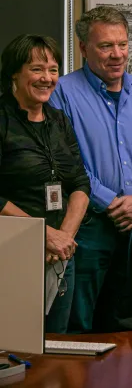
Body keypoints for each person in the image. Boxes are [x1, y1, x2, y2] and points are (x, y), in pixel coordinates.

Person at [49, 6, 132, 333]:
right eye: (106, 46)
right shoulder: (61, 93)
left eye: (123, 44)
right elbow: (65, 161)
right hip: (89, 226)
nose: (117, 54)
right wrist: (111, 201)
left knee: (127, 322)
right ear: (84, 48)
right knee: (81, 322)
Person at [0, 34, 90, 333]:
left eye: (53, 70)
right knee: (15, 344)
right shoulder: (3, 119)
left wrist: (62, 238)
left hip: (61, 255)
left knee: (56, 346)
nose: (47, 78)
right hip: (13, 251)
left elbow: (80, 183)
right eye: (37, 69)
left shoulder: (59, 121)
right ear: (15, 72)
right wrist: (41, 235)